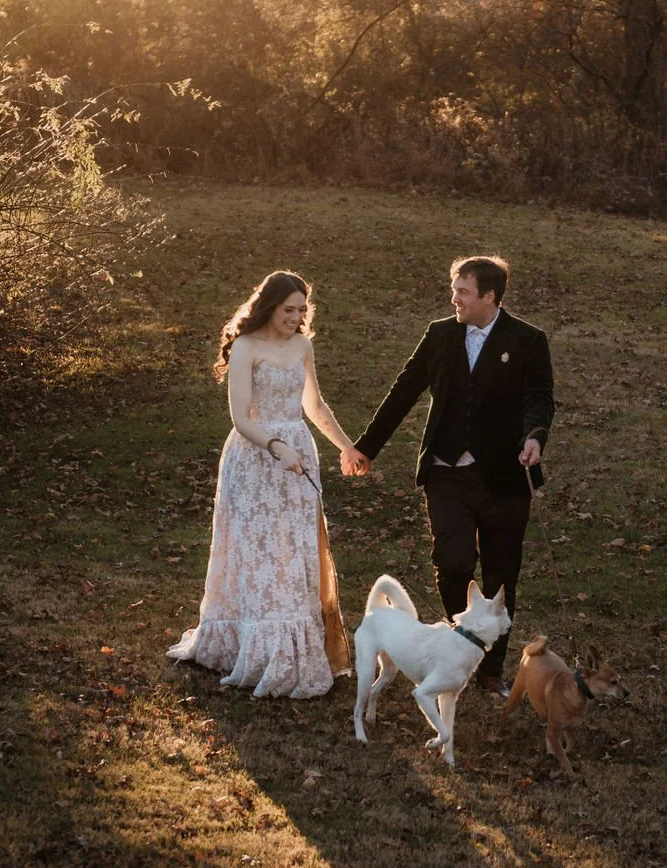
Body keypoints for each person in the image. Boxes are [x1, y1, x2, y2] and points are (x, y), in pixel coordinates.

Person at [354, 255, 554, 696]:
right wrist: (366, 447)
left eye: (463, 291)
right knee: (454, 565)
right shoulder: (440, 335)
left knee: (501, 577)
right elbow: (404, 389)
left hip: (505, 480)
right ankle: (457, 649)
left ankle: (490, 671)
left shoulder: (527, 340)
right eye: (454, 289)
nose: (454, 298)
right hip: (447, 474)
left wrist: (535, 436)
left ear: (489, 296)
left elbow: (540, 398)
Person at [167, 270, 367, 699]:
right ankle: (249, 643)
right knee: (256, 548)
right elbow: (241, 417)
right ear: (269, 306)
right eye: (288, 310)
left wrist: (347, 447)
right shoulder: (245, 347)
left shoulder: (302, 346)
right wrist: (277, 447)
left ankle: (294, 646)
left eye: (301, 310)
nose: (296, 318)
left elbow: (313, 404)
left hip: (298, 452)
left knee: (293, 549)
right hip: (254, 458)